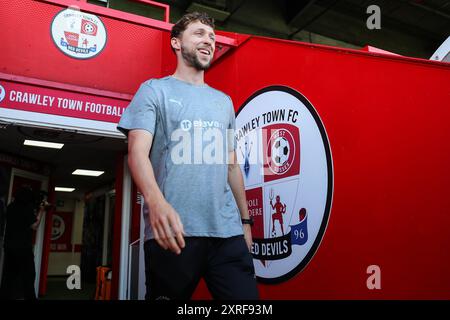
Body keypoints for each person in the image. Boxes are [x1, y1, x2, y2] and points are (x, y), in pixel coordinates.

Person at [117, 12, 258, 300]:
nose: (208, 40)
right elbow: (137, 153)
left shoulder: (224, 101)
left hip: (227, 233)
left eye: (212, 36)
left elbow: (231, 165)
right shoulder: (154, 90)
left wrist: (245, 223)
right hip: (174, 232)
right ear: (176, 43)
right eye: (199, 33)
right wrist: (156, 204)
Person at [0, 185, 46, 300]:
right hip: (23, 248)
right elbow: (34, 226)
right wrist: (41, 210)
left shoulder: (10, 207)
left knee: (8, 278)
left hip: (9, 247)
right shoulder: (27, 208)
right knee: (28, 277)